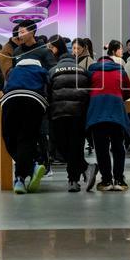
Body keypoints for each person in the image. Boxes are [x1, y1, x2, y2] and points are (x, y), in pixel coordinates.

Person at [47, 35, 97, 192]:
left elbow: (48, 94)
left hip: (59, 114)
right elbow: (90, 92)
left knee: (62, 148)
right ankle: (76, 178)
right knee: (76, 146)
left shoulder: (52, 71)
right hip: (79, 115)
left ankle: (76, 178)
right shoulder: (83, 71)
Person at [0, 55, 50, 194]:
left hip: (11, 101)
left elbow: (5, 88)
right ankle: (26, 172)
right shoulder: (42, 71)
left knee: (9, 138)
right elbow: (48, 90)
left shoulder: (13, 72)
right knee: (26, 139)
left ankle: (23, 175)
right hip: (34, 102)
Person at [87, 52, 130, 191]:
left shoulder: (91, 72)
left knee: (101, 148)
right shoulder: (121, 71)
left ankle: (106, 181)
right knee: (118, 147)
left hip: (97, 113)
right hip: (116, 112)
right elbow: (127, 93)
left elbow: (86, 92)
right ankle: (119, 180)